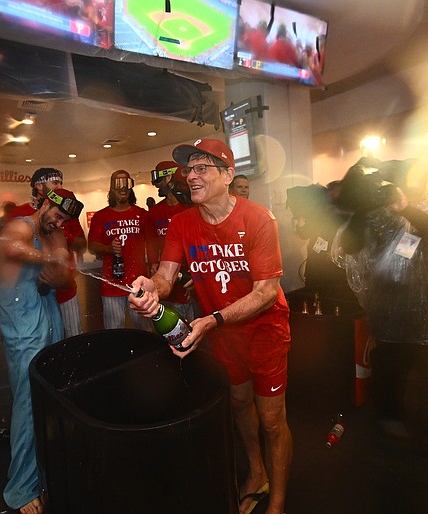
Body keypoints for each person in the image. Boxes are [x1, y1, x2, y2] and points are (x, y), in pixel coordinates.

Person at [128, 139, 292, 514]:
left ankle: (278, 502)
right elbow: (166, 277)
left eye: (203, 167)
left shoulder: (258, 218)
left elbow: (266, 292)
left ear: (228, 175)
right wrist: (151, 288)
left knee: (271, 419)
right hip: (221, 331)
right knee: (238, 404)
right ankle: (256, 473)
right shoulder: (182, 223)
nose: (191, 175)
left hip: (265, 329)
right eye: (189, 169)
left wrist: (212, 319)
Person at [333, 157, 428, 482]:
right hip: (390, 318)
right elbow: (347, 246)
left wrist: (406, 208)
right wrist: (365, 207)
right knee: (390, 375)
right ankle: (389, 423)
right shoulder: (373, 216)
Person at [0, 188, 83, 514]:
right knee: (28, 409)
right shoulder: (23, 225)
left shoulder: (53, 234)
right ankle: (19, 489)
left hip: (47, 324)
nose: (59, 222)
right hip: (23, 330)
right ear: (43, 204)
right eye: (56, 215)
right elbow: (10, 246)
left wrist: (56, 272)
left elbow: (64, 277)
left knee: (45, 402)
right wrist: (50, 259)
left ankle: (41, 473)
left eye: (65, 220)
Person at [9, 168, 87, 337]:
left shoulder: (66, 213)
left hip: (66, 289)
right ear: (39, 186)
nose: (59, 186)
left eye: (61, 182)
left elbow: (82, 244)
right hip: (33, 294)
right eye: (55, 183)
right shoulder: (19, 214)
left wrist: (61, 236)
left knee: (74, 339)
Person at [88, 170, 150, 330]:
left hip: (139, 283)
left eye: (126, 184)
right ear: (111, 188)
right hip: (112, 284)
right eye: (118, 184)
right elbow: (92, 246)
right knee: (114, 329)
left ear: (131, 187)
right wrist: (108, 248)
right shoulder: (101, 217)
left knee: (144, 329)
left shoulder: (142, 215)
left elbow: (152, 244)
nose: (122, 189)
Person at [146, 160, 194, 321]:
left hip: (192, 279)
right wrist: (154, 264)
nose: (157, 185)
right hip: (166, 278)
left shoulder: (192, 209)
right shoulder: (154, 212)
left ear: (169, 179)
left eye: (159, 181)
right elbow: (151, 241)